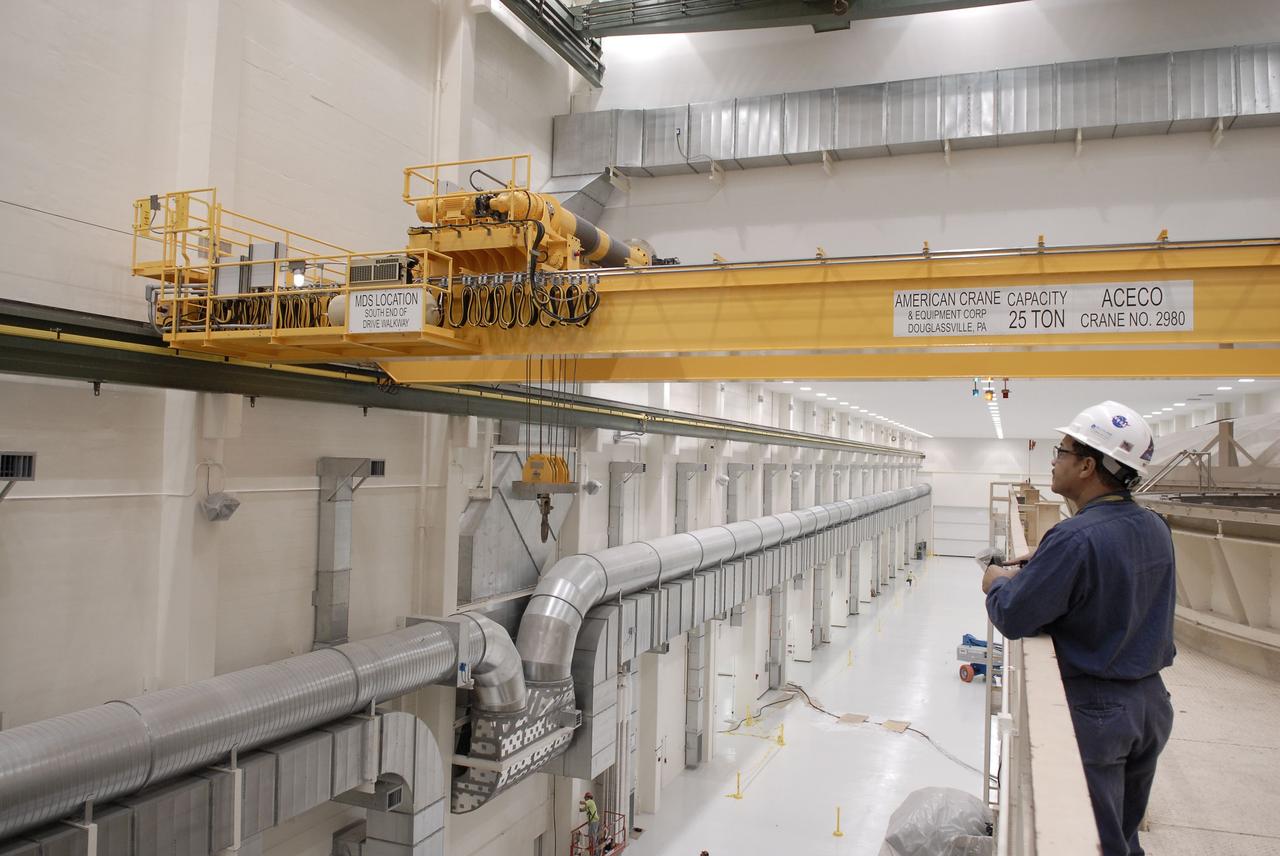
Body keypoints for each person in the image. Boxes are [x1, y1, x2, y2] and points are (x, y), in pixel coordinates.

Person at [980, 400, 1175, 856]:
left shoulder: (1074, 537)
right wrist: (1045, 567)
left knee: (1092, 842)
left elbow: (1014, 617)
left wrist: (994, 584)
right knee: (1122, 837)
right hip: (1149, 704)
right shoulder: (1154, 525)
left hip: (1097, 711)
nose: (1054, 459)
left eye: (1061, 450)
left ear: (1088, 465)